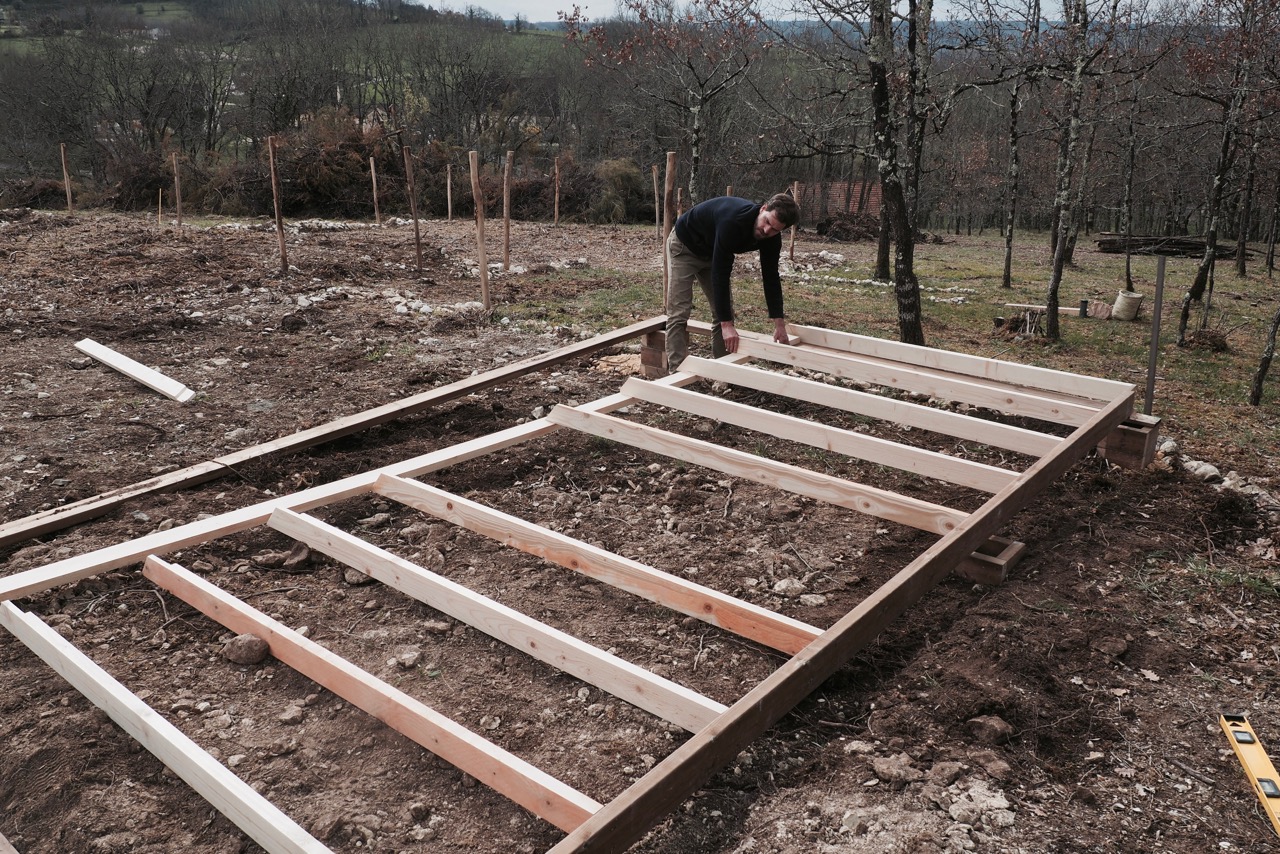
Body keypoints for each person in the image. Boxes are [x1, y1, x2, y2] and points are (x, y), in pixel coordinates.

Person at [664, 192, 800, 373]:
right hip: (685, 246)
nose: (767, 231)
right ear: (763, 209)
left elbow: (771, 278)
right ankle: (677, 370)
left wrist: (779, 325)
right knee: (679, 312)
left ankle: (723, 369)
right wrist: (726, 326)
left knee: (723, 313)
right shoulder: (733, 221)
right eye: (767, 222)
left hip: (713, 251)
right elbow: (721, 274)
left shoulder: (771, 238)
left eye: (775, 229)